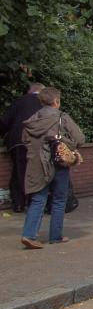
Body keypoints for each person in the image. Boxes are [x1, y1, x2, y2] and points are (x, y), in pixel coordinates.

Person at [19, 87, 85, 248]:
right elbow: (80, 139)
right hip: (58, 163)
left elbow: (25, 141)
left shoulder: (32, 120)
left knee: (38, 199)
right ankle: (55, 236)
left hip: (36, 164)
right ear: (56, 101)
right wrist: (65, 141)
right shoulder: (62, 118)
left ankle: (29, 235)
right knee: (59, 199)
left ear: (41, 102)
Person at [1, 81, 45, 213]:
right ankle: (34, 203)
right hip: (38, 142)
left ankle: (19, 204)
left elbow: (4, 121)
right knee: (37, 172)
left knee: (19, 172)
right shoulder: (46, 103)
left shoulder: (19, 101)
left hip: (18, 141)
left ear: (29, 91)